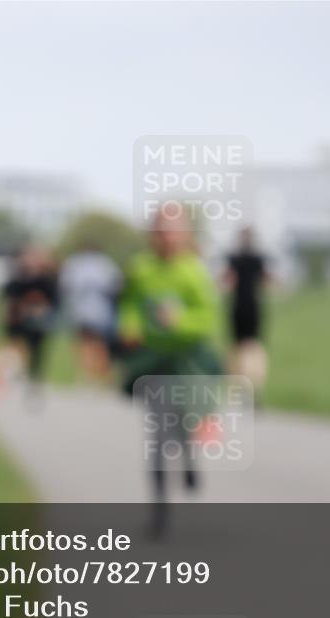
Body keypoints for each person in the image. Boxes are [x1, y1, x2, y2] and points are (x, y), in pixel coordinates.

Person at [118, 206, 221, 536]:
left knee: (186, 422)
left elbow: (208, 319)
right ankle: (159, 510)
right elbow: (129, 304)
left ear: (185, 234)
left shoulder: (193, 271)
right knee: (159, 436)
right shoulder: (141, 268)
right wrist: (131, 326)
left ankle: (189, 460)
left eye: (173, 231)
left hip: (188, 362)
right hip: (154, 362)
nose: (167, 237)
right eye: (161, 231)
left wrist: (179, 321)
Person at [0, 245, 59, 399]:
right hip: (20, 319)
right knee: (17, 348)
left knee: (37, 350)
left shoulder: (47, 279)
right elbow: (8, 296)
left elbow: (55, 299)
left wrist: (41, 308)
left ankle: (34, 378)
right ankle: (16, 373)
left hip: (39, 321)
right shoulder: (18, 277)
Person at [59, 243, 121, 383]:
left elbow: (65, 286)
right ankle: (99, 374)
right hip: (99, 311)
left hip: (81, 310)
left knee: (85, 342)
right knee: (98, 343)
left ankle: (89, 374)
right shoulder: (105, 263)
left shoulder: (74, 262)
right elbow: (115, 285)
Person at [223, 226, 270, 393]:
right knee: (252, 346)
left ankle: (237, 384)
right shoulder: (258, 259)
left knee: (238, 346)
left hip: (238, 306)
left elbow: (228, 281)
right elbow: (265, 281)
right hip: (253, 306)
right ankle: (253, 384)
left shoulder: (234, 259)